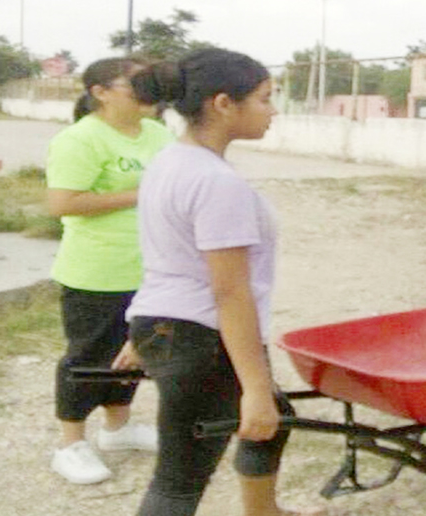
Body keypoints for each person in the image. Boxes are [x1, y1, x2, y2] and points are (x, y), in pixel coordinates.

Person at [113, 49, 323, 516]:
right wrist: (253, 387)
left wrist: (147, 330)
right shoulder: (215, 182)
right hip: (201, 336)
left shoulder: (171, 161)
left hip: (168, 324)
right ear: (224, 103)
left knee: (275, 417)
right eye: (265, 99)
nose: (274, 111)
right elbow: (229, 291)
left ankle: (262, 512)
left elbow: (168, 256)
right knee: (178, 481)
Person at [46, 57, 174, 484]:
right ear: (100, 92)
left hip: (148, 269)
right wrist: (140, 194)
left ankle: (118, 429)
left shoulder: (158, 133)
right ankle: (70, 444)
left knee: (134, 352)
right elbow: (63, 203)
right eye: (135, 84)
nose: (146, 92)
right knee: (88, 357)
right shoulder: (80, 140)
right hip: (96, 271)